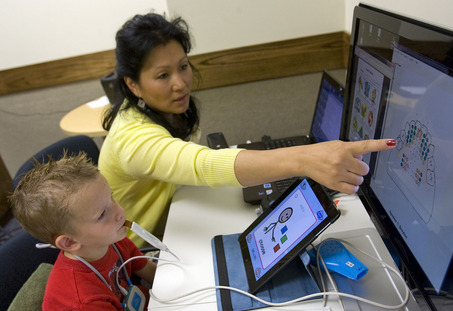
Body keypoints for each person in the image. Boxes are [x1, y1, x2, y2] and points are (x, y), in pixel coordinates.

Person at [99, 13, 396, 247]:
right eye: (163, 75)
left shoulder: (167, 110)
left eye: (184, 66)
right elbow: (203, 165)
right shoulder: (131, 138)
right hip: (134, 256)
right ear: (132, 84)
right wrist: (305, 159)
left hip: (170, 227)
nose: (181, 83)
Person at [9, 152, 157, 311]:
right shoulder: (82, 303)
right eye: (101, 214)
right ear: (69, 243)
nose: (120, 212)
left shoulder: (110, 239)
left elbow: (154, 274)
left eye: (112, 197)